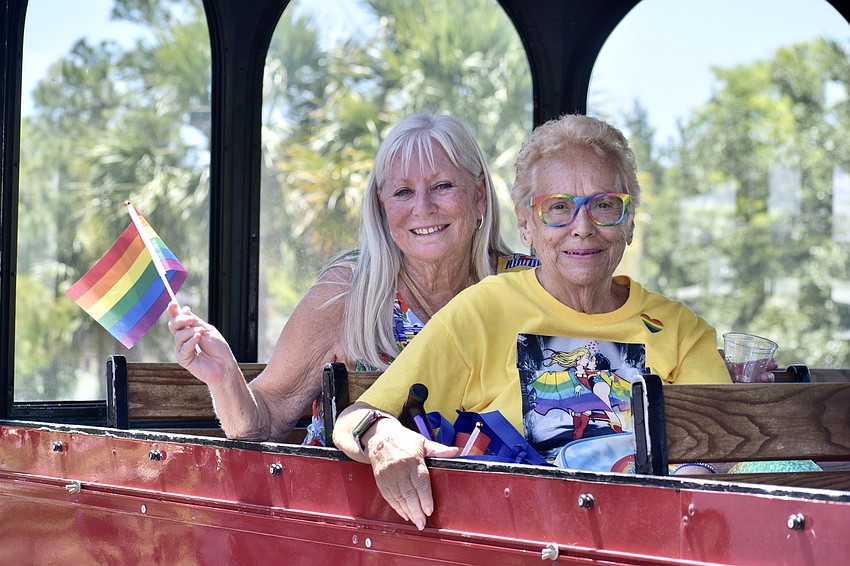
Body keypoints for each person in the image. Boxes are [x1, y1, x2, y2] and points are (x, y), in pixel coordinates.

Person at [332, 114, 735, 531]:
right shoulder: (482, 311)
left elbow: (722, 447)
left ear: (628, 221)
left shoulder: (681, 330)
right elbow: (354, 418)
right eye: (558, 208)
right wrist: (381, 438)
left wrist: (686, 493)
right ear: (526, 223)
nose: (583, 227)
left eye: (604, 205)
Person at [167, 112, 537, 444]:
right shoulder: (347, 289)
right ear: (382, 206)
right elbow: (263, 423)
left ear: (480, 197)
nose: (423, 208)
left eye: (443, 186)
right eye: (403, 192)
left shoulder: (530, 285)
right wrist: (224, 378)